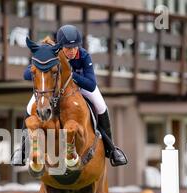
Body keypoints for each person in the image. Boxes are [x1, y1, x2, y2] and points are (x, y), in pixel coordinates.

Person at [11, 24, 128, 167]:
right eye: (68, 48)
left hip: (81, 87)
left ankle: (111, 148)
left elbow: (91, 84)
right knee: (30, 108)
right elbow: (26, 74)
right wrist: (40, 68)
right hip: (52, 90)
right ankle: (22, 150)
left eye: (75, 47)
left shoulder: (84, 55)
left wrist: (71, 76)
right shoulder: (51, 54)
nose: (72, 51)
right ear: (61, 47)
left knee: (101, 106)